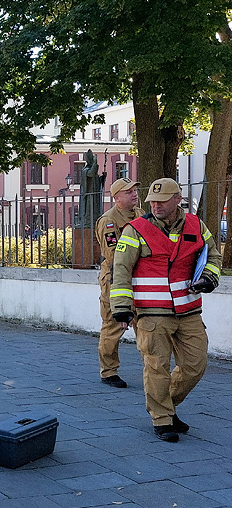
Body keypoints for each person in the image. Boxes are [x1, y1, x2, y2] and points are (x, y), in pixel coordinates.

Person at [110, 177, 222, 442]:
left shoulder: (196, 225)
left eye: (162, 201)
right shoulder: (135, 229)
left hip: (188, 310)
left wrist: (208, 278)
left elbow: (214, 255)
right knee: (156, 367)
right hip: (151, 313)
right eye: (152, 202)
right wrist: (122, 308)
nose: (156, 206)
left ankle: (166, 406)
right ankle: (162, 419)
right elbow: (121, 269)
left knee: (195, 365)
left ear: (177, 200)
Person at [94, 178, 142, 388]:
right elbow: (113, 254)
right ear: (116, 197)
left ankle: (153, 367)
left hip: (140, 278)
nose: (134, 194)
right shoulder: (109, 221)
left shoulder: (141, 215)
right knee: (113, 326)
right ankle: (109, 371)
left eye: (134, 190)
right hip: (115, 279)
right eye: (128, 191)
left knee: (146, 324)